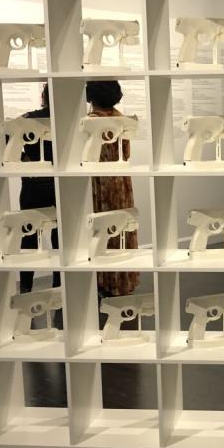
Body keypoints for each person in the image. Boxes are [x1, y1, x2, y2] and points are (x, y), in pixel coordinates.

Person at [85, 80, 140, 299]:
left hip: (100, 181)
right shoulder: (121, 118)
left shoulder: (89, 122)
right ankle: (123, 280)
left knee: (102, 229)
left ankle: (105, 281)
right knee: (121, 227)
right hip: (121, 180)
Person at [18, 84, 59, 302]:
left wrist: (24, 160)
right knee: (60, 237)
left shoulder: (28, 119)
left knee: (29, 237)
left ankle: (26, 288)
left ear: (44, 96)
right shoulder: (65, 119)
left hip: (33, 183)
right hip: (59, 183)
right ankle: (59, 286)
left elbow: (6, 137)